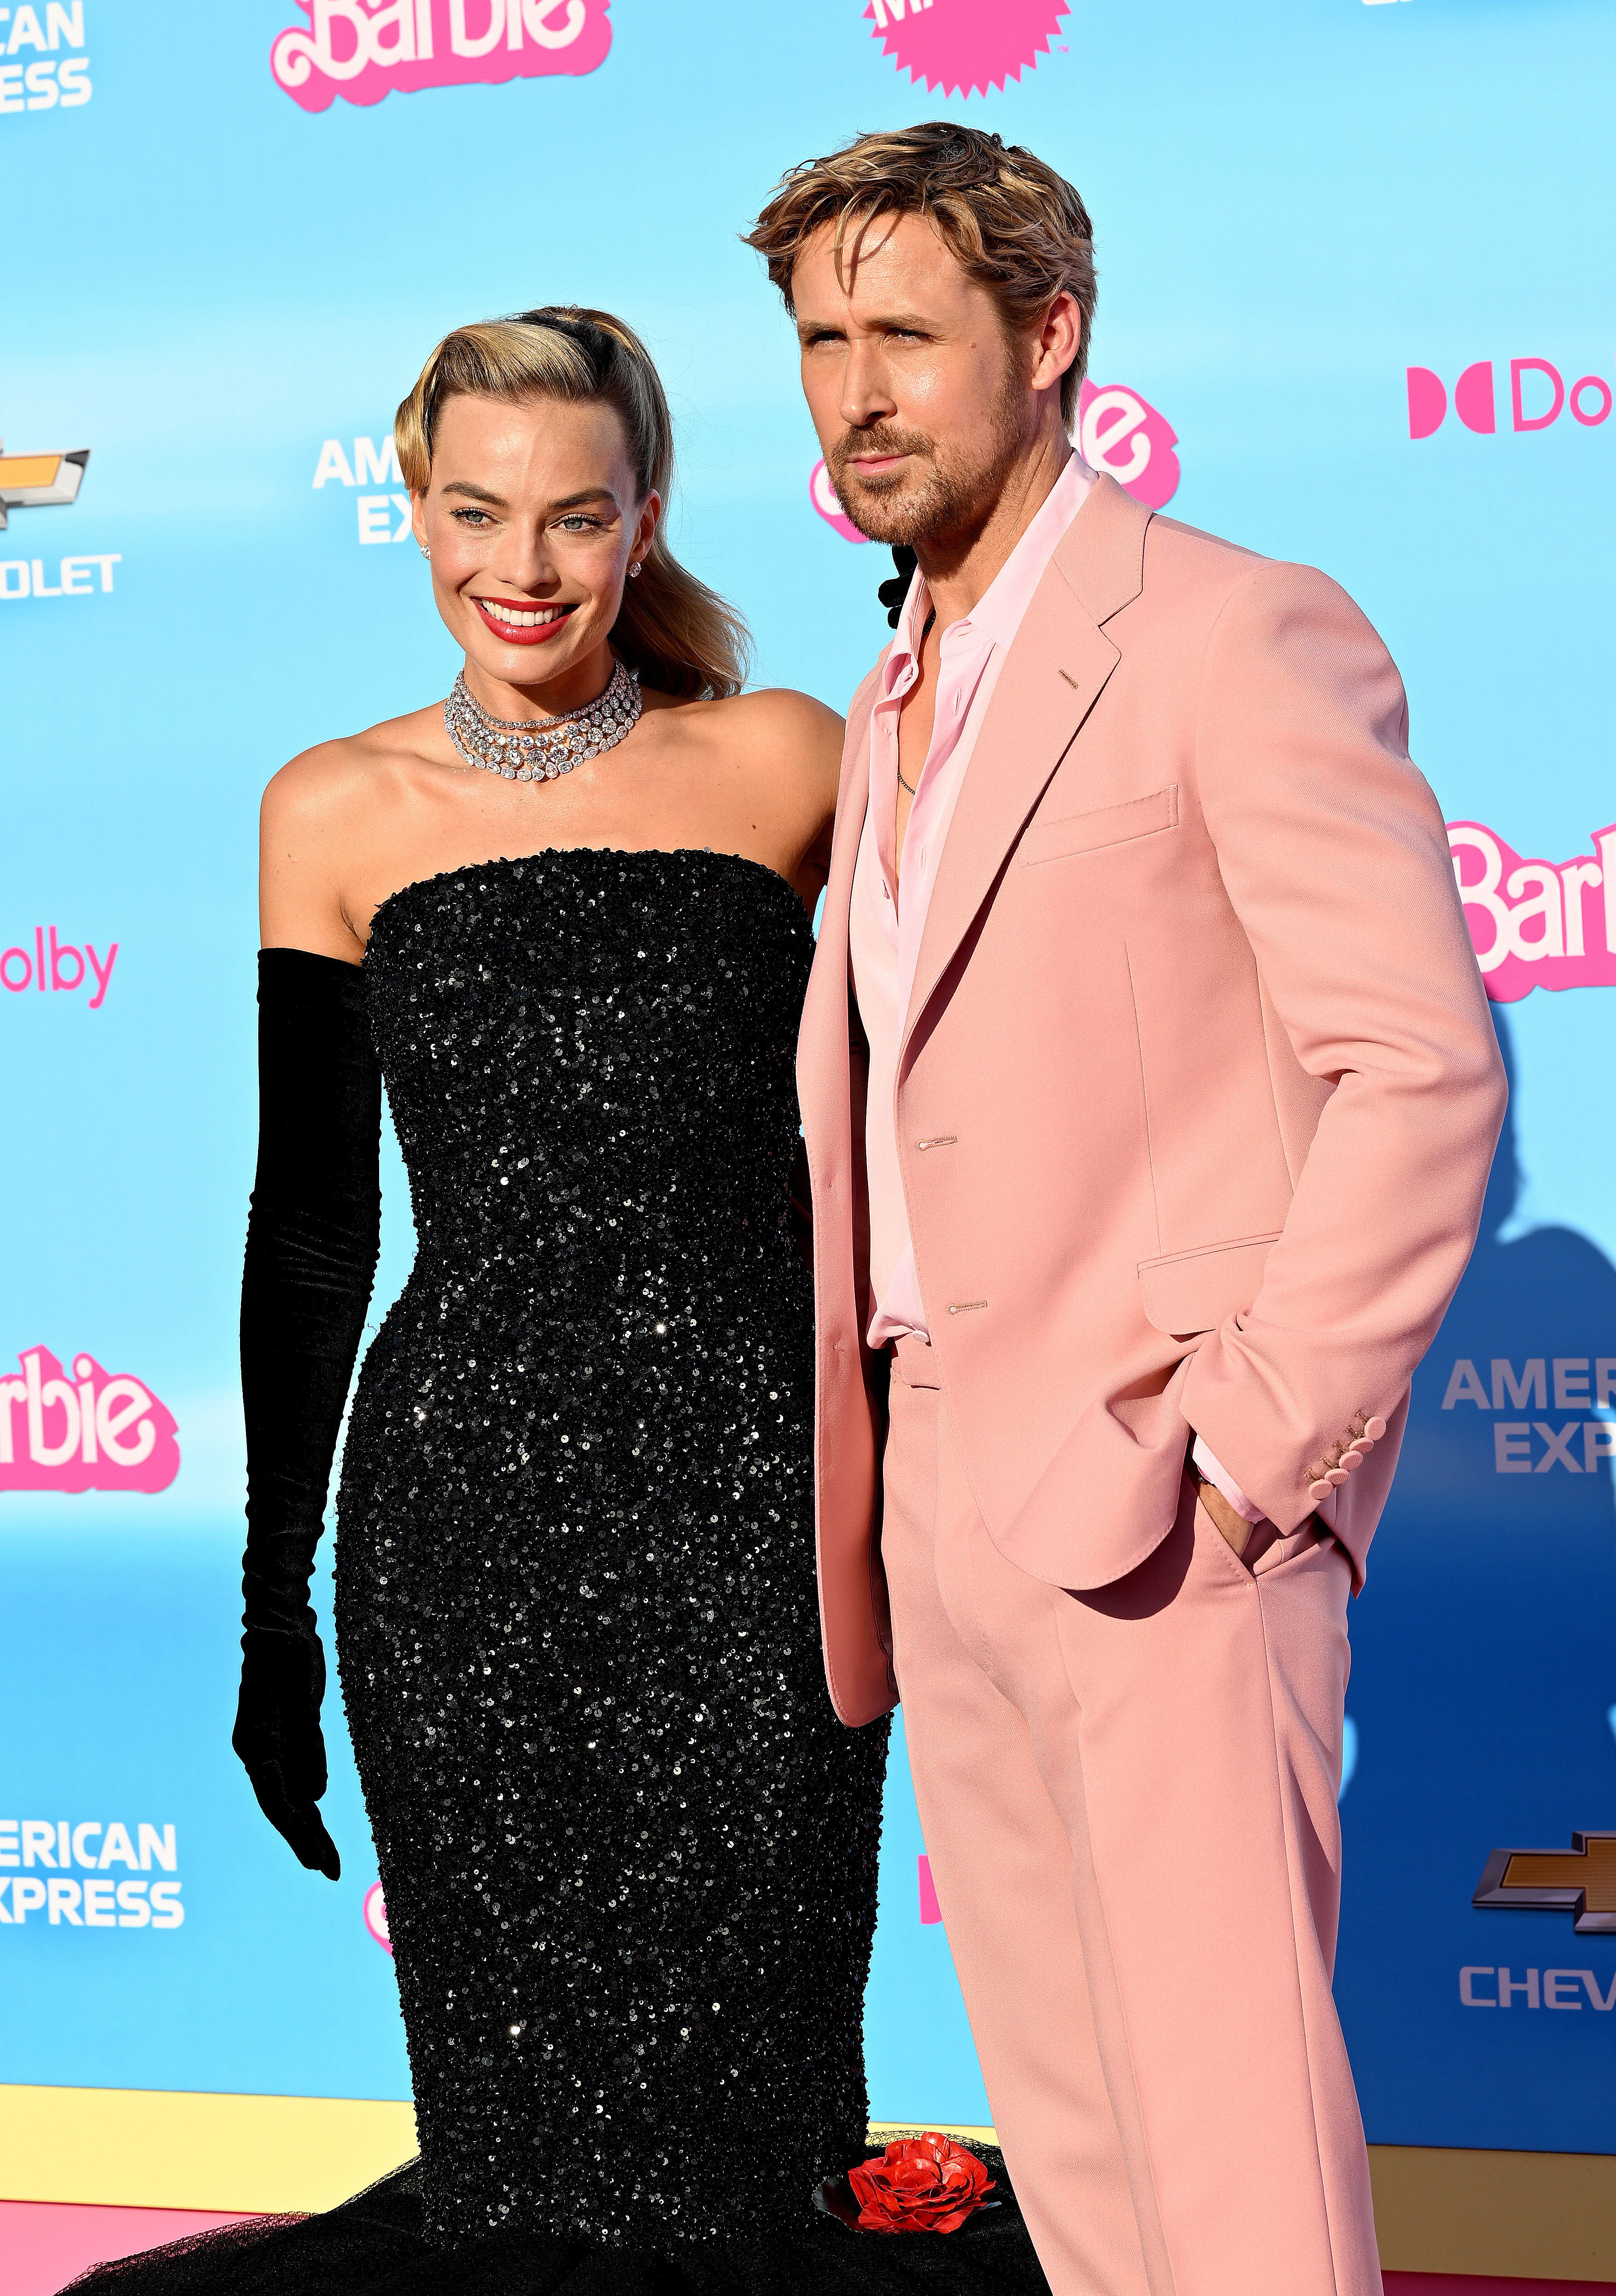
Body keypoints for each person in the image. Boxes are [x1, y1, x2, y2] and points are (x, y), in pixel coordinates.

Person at [66, 309, 1044, 2295]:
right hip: (463, 1533)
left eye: (573, 518)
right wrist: (274, 1601)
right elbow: (312, 1229)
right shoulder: (328, 809)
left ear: (644, 520)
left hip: (754, 1519)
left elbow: (941, 1116)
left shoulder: (788, 756)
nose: (521, 567)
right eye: (474, 510)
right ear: (411, 512)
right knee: (520, 2161)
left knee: (757, 2120)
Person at [746, 125, 1507, 2296]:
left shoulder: (1230, 632)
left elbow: (1421, 1063)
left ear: (1050, 335)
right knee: (1076, 2168)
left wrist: (1254, 1442)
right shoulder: (888, 693)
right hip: (935, 1507)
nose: (853, 393)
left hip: (1165, 1503)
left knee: (1234, 2165)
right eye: (819, 341)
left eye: (903, 334)